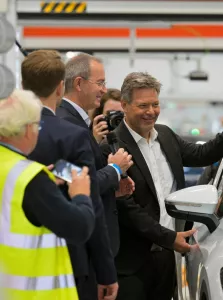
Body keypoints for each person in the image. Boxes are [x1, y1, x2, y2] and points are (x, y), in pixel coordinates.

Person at [100, 72, 223, 300]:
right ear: (124, 105)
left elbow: (201, 154)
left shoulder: (165, 135)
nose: (151, 111)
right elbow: (127, 209)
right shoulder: (112, 149)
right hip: (131, 263)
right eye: (143, 105)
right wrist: (168, 237)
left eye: (155, 104)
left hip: (167, 257)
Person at [22, 50, 118, 300]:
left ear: (22, 85)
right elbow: (91, 201)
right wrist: (106, 272)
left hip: (14, 258)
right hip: (68, 260)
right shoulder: (70, 136)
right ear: (59, 89)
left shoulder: (9, 134)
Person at [0, 89, 95, 300]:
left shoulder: (14, 171)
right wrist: (81, 195)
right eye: (37, 126)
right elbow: (78, 227)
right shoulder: (30, 178)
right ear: (26, 130)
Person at [57, 53, 135, 297]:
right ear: (79, 83)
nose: (104, 90)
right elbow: (78, 183)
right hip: (85, 249)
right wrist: (114, 170)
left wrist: (113, 185)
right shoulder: (68, 126)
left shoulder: (75, 124)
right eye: (100, 83)